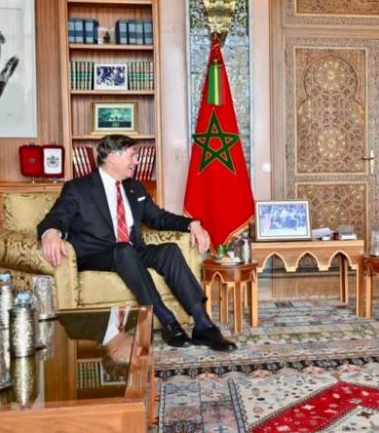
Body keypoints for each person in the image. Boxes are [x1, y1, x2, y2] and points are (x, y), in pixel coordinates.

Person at [38, 134, 236, 352]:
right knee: (123, 251)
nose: (137, 161)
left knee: (169, 250)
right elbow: (56, 217)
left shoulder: (134, 188)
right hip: (96, 255)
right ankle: (167, 320)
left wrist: (192, 224)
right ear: (112, 157)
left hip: (131, 251)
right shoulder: (78, 188)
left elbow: (158, 218)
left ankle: (203, 324)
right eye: (132, 156)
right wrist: (51, 233)